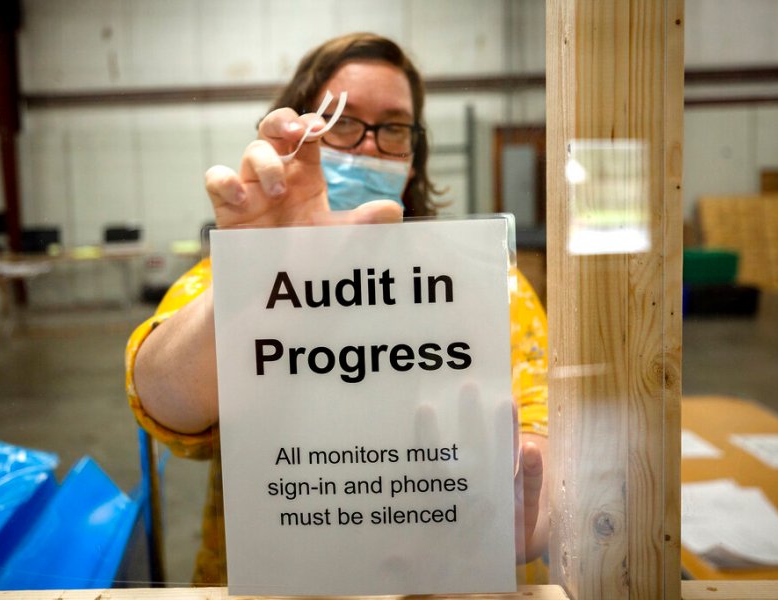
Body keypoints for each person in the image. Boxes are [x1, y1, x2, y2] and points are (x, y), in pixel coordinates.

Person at [126, 32, 549, 586]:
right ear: (302, 131)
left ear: (414, 154)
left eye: (394, 126)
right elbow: (164, 402)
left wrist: (528, 512)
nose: (370, 148)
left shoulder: (486, 279)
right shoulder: (230, 277)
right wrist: (255, 286)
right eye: (344, 123)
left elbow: (544, 428)